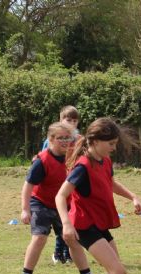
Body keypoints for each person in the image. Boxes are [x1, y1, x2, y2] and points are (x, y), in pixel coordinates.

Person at [56, 117, 141, 274]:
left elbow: (110, 183)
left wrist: (132, 196)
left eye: (115, 144)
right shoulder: (82, 166)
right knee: (117, 272)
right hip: (84, 225)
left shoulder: (104, 161)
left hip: (99, 223)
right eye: (111, 144)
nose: (113, 148)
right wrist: (66, 224)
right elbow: (60, 196)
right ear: (95, 141)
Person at [16, 122, 100, 274]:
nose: (65, 141)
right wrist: (25, 209)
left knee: (72, 238)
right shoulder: (42, 161)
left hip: (63, 205)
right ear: (51, 139)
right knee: (39, 238)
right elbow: (28, 186)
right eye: (60, 138)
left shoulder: (73, 156)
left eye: (67, 138)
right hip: (41, 203)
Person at [42, 106, 82, 265]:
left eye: (74, 120)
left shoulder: (79, 139)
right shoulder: (52, 140)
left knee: (71, 220)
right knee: (61, 221)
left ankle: (68, 252)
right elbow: (44, 160)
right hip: (58, 186)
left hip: (73, 184)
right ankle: (58, 252)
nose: (71, 123)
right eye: (68, 120)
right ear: (61, 120)